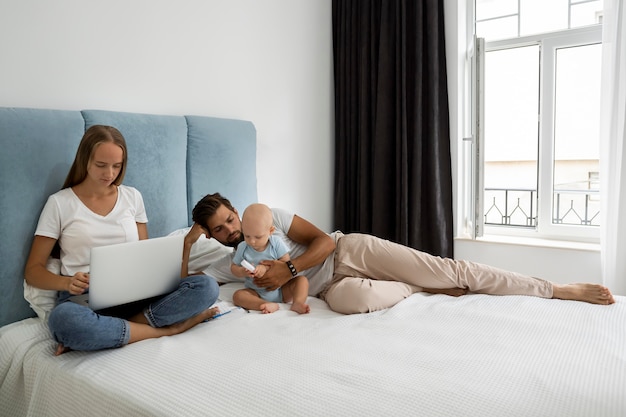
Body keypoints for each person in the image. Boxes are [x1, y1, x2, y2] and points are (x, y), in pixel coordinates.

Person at [185, 193, 615, 315]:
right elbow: (179, 278)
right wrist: (188, 243)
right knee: (356, 303)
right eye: (219, 228)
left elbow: (327, 243)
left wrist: (288, 268)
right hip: (332, 289)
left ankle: (555, 288)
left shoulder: (269, 215)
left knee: (450, 269)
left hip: (351, 253)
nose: (231, 229)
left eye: (230, 218)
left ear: (237, 210)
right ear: (209, 232)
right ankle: (417, 287)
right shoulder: (223, 262)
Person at [24, 125, 220, 355]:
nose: (109, 174)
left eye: (117, 166)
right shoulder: (59, 203)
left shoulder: (132, 197)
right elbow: (33, 270)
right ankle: (165, 330)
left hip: (135, 293)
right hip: (85, 299)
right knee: (64, 321)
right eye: (101, 165)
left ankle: (122, 329)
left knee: (207, 286)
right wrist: (66, 283)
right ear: (84, 159)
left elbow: (143, 252)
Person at [230, 203, 310, 314]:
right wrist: (242, 271)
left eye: (258, 237)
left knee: (302, 281)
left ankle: (298, 303)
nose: (252, 241)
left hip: (280, 290)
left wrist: (266, 268)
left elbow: (286, 263)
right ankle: (262, 304)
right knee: (238, 296)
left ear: (271, 231)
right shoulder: (243, 247)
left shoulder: (276, 243)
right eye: (247, 236)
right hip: (255, 291)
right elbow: (233, 267)